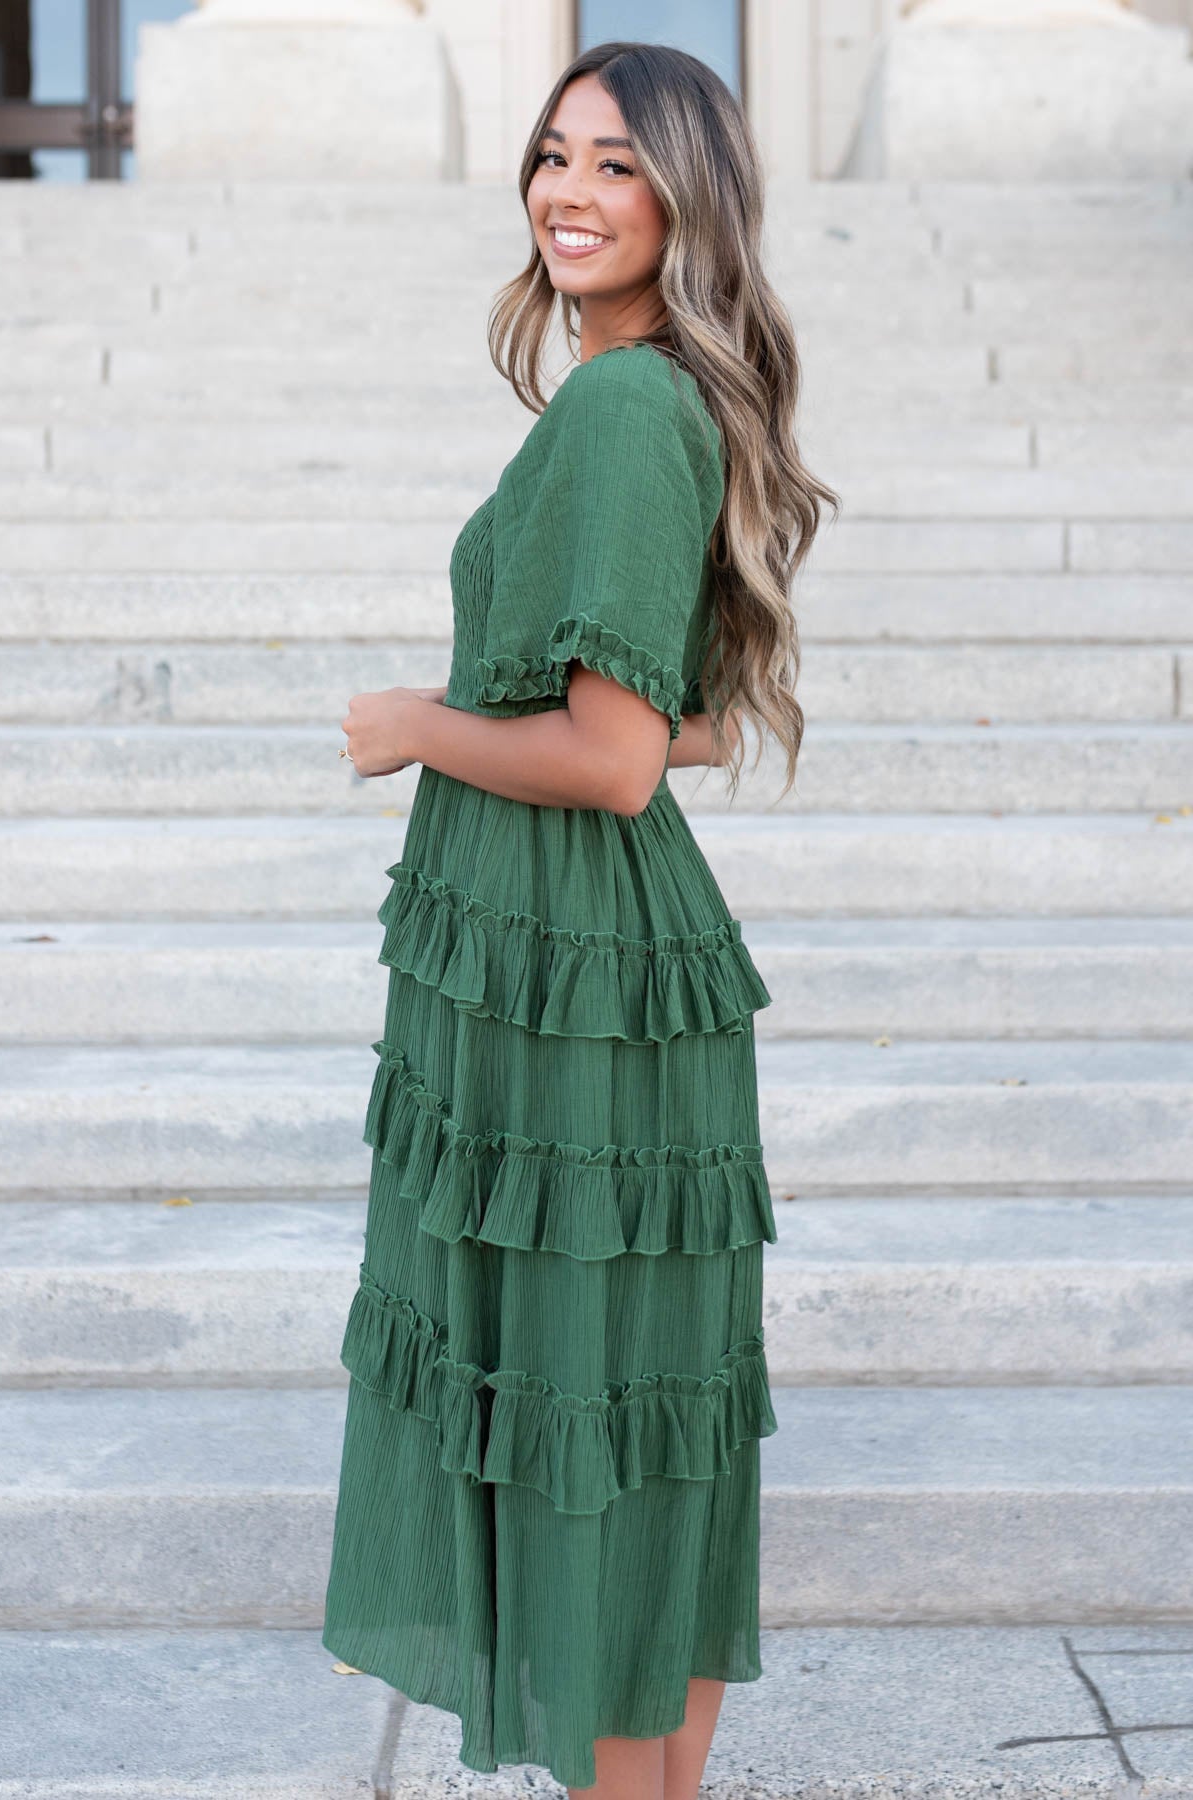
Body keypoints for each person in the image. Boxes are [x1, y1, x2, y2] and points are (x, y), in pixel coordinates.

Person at [322, 38, 839, 1800]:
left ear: (687, 192)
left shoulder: (628, 406)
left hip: (569, 976)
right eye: (553, 155)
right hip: (585, 967)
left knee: (589, 1429)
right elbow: (684, 717)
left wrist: (418, 726)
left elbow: (617, 760)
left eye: (616, 162)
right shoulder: (665, 396)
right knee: (632, 1424)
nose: (567, 189)